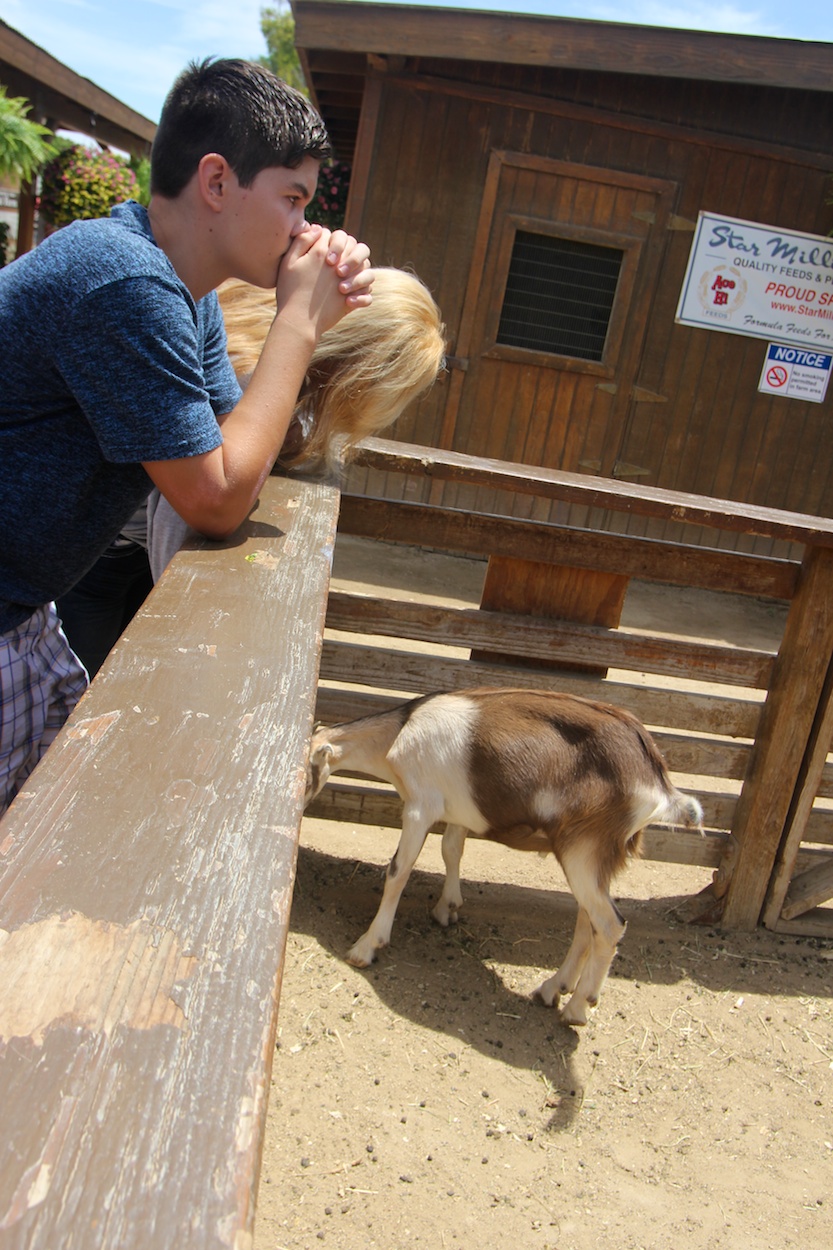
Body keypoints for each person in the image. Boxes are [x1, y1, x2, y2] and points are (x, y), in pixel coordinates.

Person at [0, 57, 375, 815]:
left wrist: (303, 312)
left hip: (24, 617)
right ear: (215, 181)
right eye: (292, 200)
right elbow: (216, 499)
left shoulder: (183, 293)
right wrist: (300, 321)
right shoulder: (122, 279)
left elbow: (239, 447)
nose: (303, 228)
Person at [57, 268, 446, 666]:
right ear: (361, 366)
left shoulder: (277, 358)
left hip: (131, 544)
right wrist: (185, 633)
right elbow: (185, 513)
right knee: (87, 689)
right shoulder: (247, 380)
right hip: (94, 548)